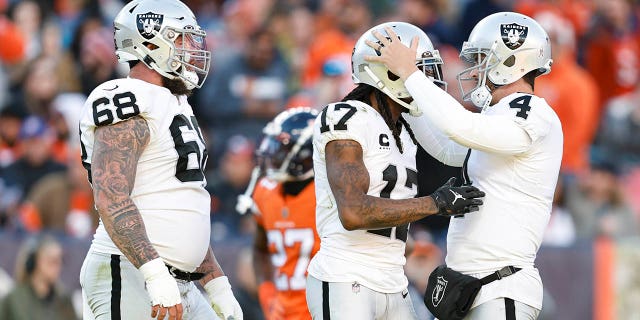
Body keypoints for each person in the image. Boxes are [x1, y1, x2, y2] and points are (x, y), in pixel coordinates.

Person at [366, 11, 563, 319]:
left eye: (482, 58)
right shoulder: (497, 117)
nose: (473, 70)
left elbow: (459, 128)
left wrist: (411, 74)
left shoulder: (534, 111)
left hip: (502, 286)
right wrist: (408, 99)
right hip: (468, 288)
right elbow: (447, 147)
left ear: (510, 61)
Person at [305, 21, 486, 320]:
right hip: (346, 275)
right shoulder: (345, 116)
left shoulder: (404, 127)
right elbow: (353, 212)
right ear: (388, 72)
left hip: (392, 278)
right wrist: (435, 203)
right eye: (419, 69)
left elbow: (456, 148)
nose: (426, 80)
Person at [78, 1, 242, 319]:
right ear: (150, 42)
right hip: (132, 274)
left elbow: (181, 208)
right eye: (182, 38)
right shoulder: (124, 96)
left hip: (180, 282)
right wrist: (155, 277)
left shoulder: (175, 101)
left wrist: (217, 283)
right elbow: (111, 196)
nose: (192, 49)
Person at [246, 107, 320, 320]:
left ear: (307, 155)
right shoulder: (265, 192)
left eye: (282, 147)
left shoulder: (328, 197)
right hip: (283, 312)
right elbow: (260, 251)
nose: (272, 152)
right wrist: (267, 294)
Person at [0, 235, 76, 320]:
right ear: (33, 262)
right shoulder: (13, 300)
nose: (58, 267)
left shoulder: (64, 301)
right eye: (52, 261)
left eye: (60, 261)